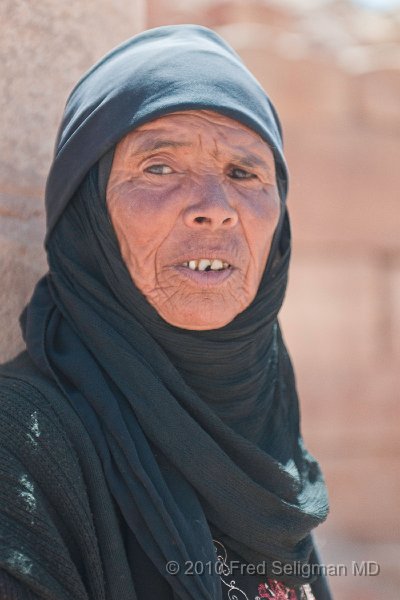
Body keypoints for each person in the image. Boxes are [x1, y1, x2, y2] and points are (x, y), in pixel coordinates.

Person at [0, 25, 331, 600]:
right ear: (88, 216)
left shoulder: (264, 426)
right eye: (159, 168)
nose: (215, 210)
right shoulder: (20, 447)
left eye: (243, 172)